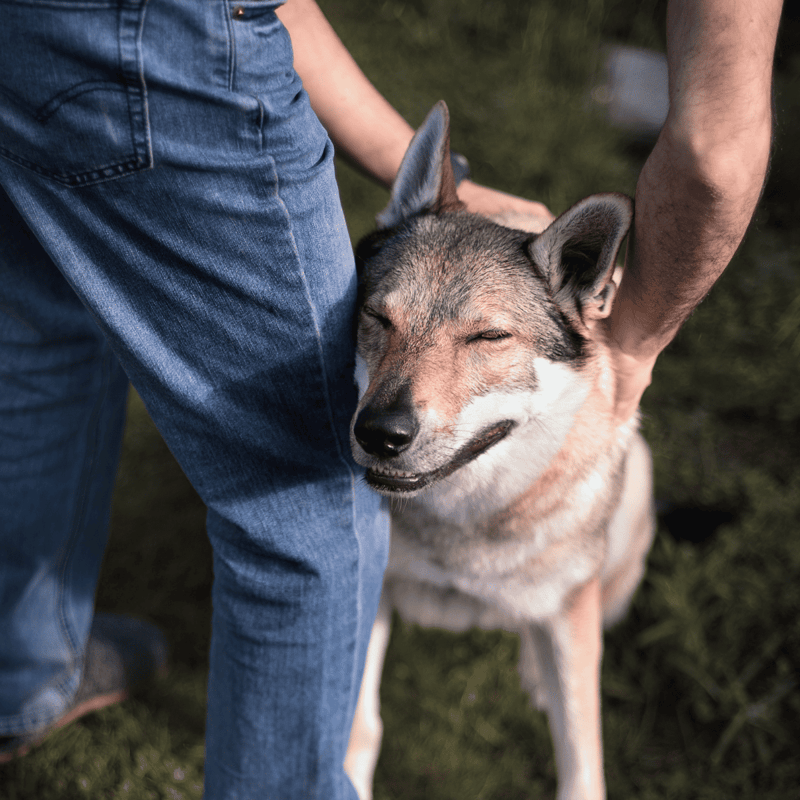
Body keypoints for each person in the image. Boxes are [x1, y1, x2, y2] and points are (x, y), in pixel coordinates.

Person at [0, 0, 783, 797]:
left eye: (483, 341)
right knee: (310, 510)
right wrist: (638, 341)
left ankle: (21, 675)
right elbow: (716, 153)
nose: (400, 401)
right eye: (382, 321)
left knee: (43, 332)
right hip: (172, 37)